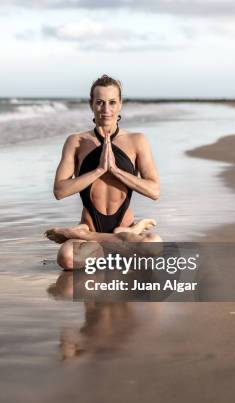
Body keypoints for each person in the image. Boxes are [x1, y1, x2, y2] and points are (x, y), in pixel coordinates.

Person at [46, 74, 161, 270]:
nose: (106, 110)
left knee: (154, 246)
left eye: (112, 102)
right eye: (99, 102)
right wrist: (99, 170)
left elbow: (154, 191)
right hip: (106, 233)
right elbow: (60, 191)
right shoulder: (76, 142)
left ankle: (86, 236)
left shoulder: (137, 140)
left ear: (120, 104)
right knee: (66, 258)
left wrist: (116, 170)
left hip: (107, 229)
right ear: (91, 104)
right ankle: (121, 238)